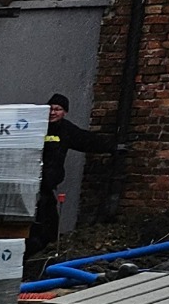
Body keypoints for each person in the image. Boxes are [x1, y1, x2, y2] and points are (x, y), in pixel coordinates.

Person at [27, 92, 115, 273]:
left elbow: (87, 140)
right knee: (35, 228)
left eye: (57, 109)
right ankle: (28, 262)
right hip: (29, 187)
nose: (53, 112)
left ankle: (36, 263)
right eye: (50, 109)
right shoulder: (36, 127)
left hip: (45, 187)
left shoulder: (65, 130)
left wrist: (113, 147)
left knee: (49, 227)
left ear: (64, 112)